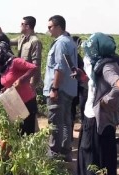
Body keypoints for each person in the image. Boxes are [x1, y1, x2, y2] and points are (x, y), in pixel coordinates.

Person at [77, 33, 119, 175]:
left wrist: (105, 101)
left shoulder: (107, 66)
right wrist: (84, 78)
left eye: (91, 48)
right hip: (93, 118)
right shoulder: (101, 64)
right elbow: (97, 85)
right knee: (93, 158)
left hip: (99, 121)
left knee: (95, 160)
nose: (88, 51)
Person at [44, 15, 78, 162]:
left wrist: (55, 88)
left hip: (60, 90)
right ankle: (65, 152)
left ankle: (54, 154)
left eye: (50, 27)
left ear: (58, 27)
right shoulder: (69, 41)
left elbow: (60, 68)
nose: (48, 30)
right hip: (68, 89)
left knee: (55, 122)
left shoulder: (60, 43)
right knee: (65, 121)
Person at [0, 42, 38, 135]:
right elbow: (9, 81)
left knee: (27, 132)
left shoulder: (15, 62)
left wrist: (21, 80)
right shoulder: (4, 67)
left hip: (26, 102)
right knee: (16, 131)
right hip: (15, 103)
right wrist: (5, 88)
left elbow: (34, 68)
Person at [10, 16, 42, 89]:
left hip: (28, 79)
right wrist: (1, 35)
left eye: (22, 24)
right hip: (21, 78)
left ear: (27, 26)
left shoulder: (35, 41)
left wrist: (32, 84)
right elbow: (9, 42)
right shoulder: (21, 38)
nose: (20, 26)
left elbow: (36, 65)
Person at [71, 36, 88, 132]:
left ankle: (83, 126)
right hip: (78, 86)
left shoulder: (77, 57)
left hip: (79, 86)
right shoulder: (78, 56)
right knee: (77, 107)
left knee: (81, 107)